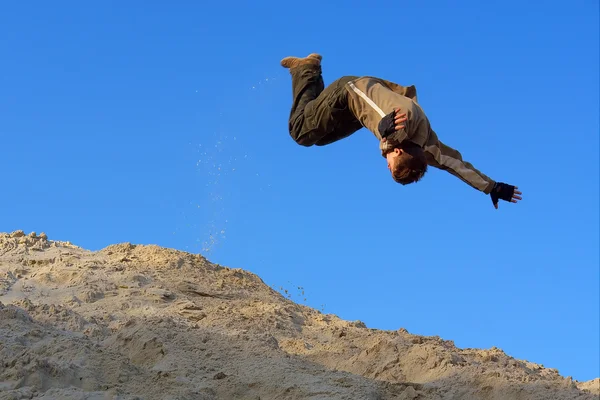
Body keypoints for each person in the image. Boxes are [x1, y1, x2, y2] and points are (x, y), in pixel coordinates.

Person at [281, 53, 522, 209]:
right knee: (300, 131)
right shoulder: (397, 122)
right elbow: (375, 105)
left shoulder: (427, 147)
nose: (385, 164)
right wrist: (381, 126)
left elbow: (457, 165)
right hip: (352, 90)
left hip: (357, 111)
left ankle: (310, 84)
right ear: (397, 150)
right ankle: (307, 68)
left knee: (320, 137)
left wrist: (492, 187)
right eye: (390, 165)